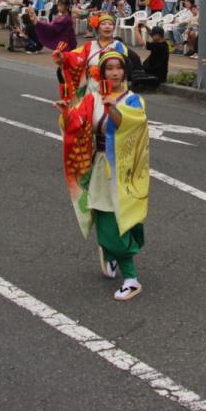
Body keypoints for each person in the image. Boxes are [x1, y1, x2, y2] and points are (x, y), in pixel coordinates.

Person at [54, 50, 150, 301]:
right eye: (109, 68)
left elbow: (131, 124)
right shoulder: (92, 99)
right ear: (101, 73)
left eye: (119, 68)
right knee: (101, 214)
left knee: (118, 220)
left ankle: (131, 278)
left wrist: (113, 109)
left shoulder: (133, 99)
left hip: (123, 171)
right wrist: (65, 111)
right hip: (98, 166)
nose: (115, 72)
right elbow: (76, 124)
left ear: (125, 71)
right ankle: (111, 254)